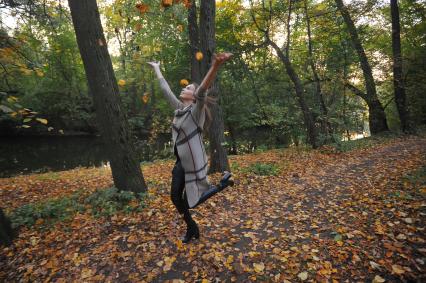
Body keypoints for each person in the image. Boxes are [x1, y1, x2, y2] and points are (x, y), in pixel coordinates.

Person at [148, 53, 233, 243]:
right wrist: (157, 68)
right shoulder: (180, 110)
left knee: (189, 201)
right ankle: (192, 227)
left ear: (193, 95)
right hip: (181, 164)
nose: (183, 88)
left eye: (188, 87)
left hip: (193, 165)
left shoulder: (196, 112)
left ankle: (221, 185)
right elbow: (165, 90)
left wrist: (215, 66)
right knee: (175, 198)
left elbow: (202, 90)